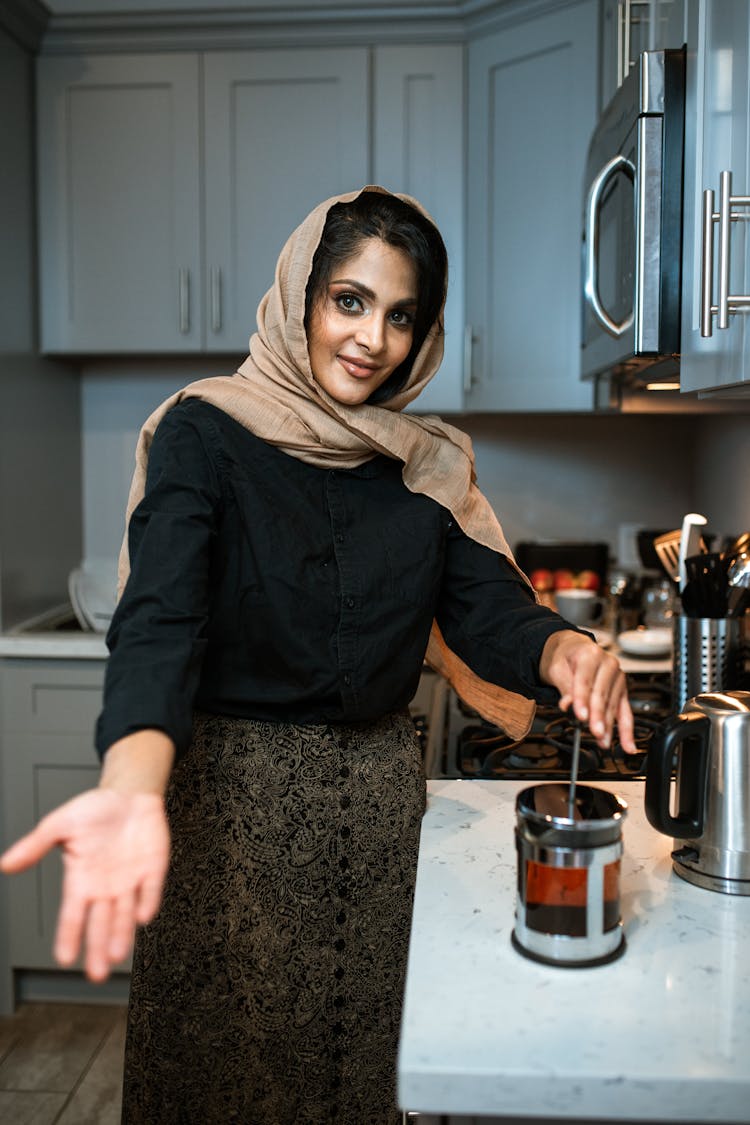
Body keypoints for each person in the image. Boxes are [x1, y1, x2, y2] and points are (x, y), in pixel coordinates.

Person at [0, 186, 635, 1124]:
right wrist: (133, 786)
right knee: (220, 1086)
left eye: (400, 315)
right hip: (227, 821)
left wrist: (564, 650)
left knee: (362, 1080)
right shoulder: (204, 434)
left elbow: (489, 607)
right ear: (301, 294)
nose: (372, 337)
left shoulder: (423, 467)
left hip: (377, 821)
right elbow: (160, 618)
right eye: (350, 300)